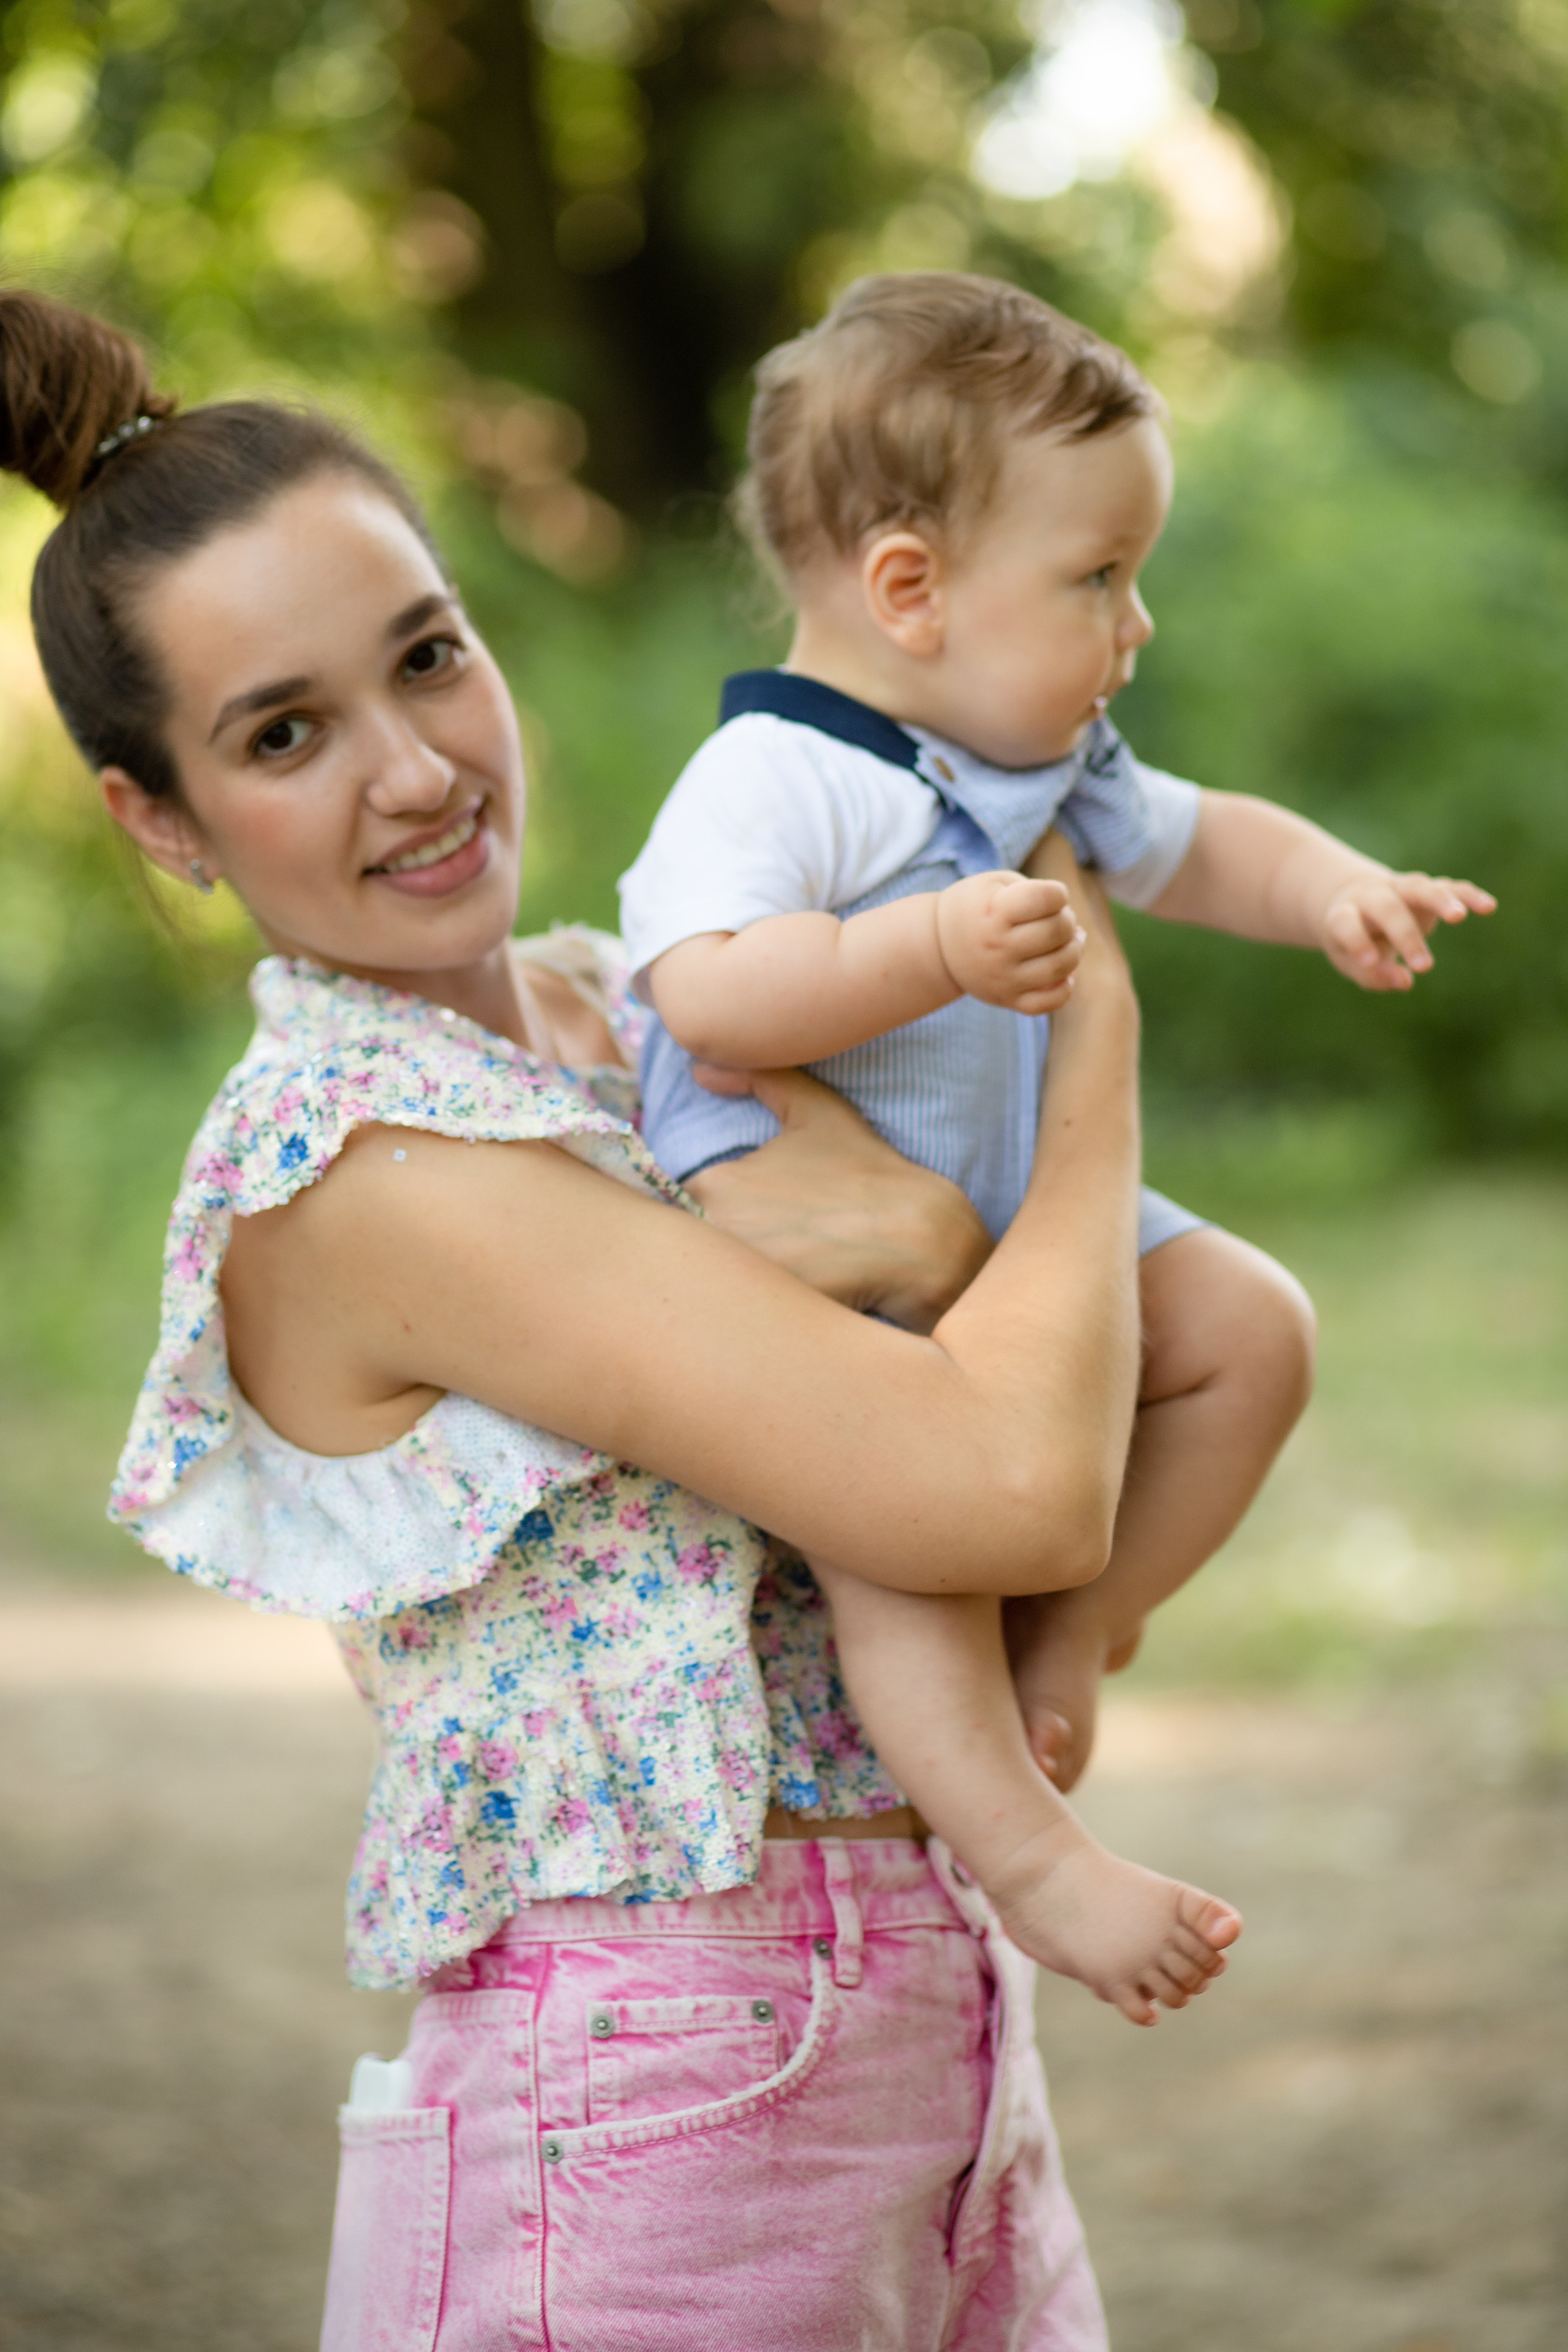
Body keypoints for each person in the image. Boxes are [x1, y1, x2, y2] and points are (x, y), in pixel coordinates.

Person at [4, 285, 1235, 2351]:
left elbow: (998, 1350)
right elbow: (1014, 1487)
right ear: (160, 818)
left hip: (933, 2042)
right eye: (285, 735)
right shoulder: (367, 1164)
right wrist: (1094, 1026)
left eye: (428, 657)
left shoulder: (622, 1012)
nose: (417, 772)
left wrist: (935, 1243)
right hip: (652, 2114)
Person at [621, 270, 1496, 1820]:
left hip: (1031, 1216)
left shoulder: (1045, 757)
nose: (1135, 624)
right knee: (916, 1563)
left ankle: (1079, 1628)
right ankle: (1014, 1846)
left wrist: (1333, 891)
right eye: (1097, 576)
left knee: (1252, 1332)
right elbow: (707, 993)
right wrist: (928, 946)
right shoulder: (776, 773)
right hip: (839, 1267)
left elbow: (1198, 840)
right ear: (909, 590)